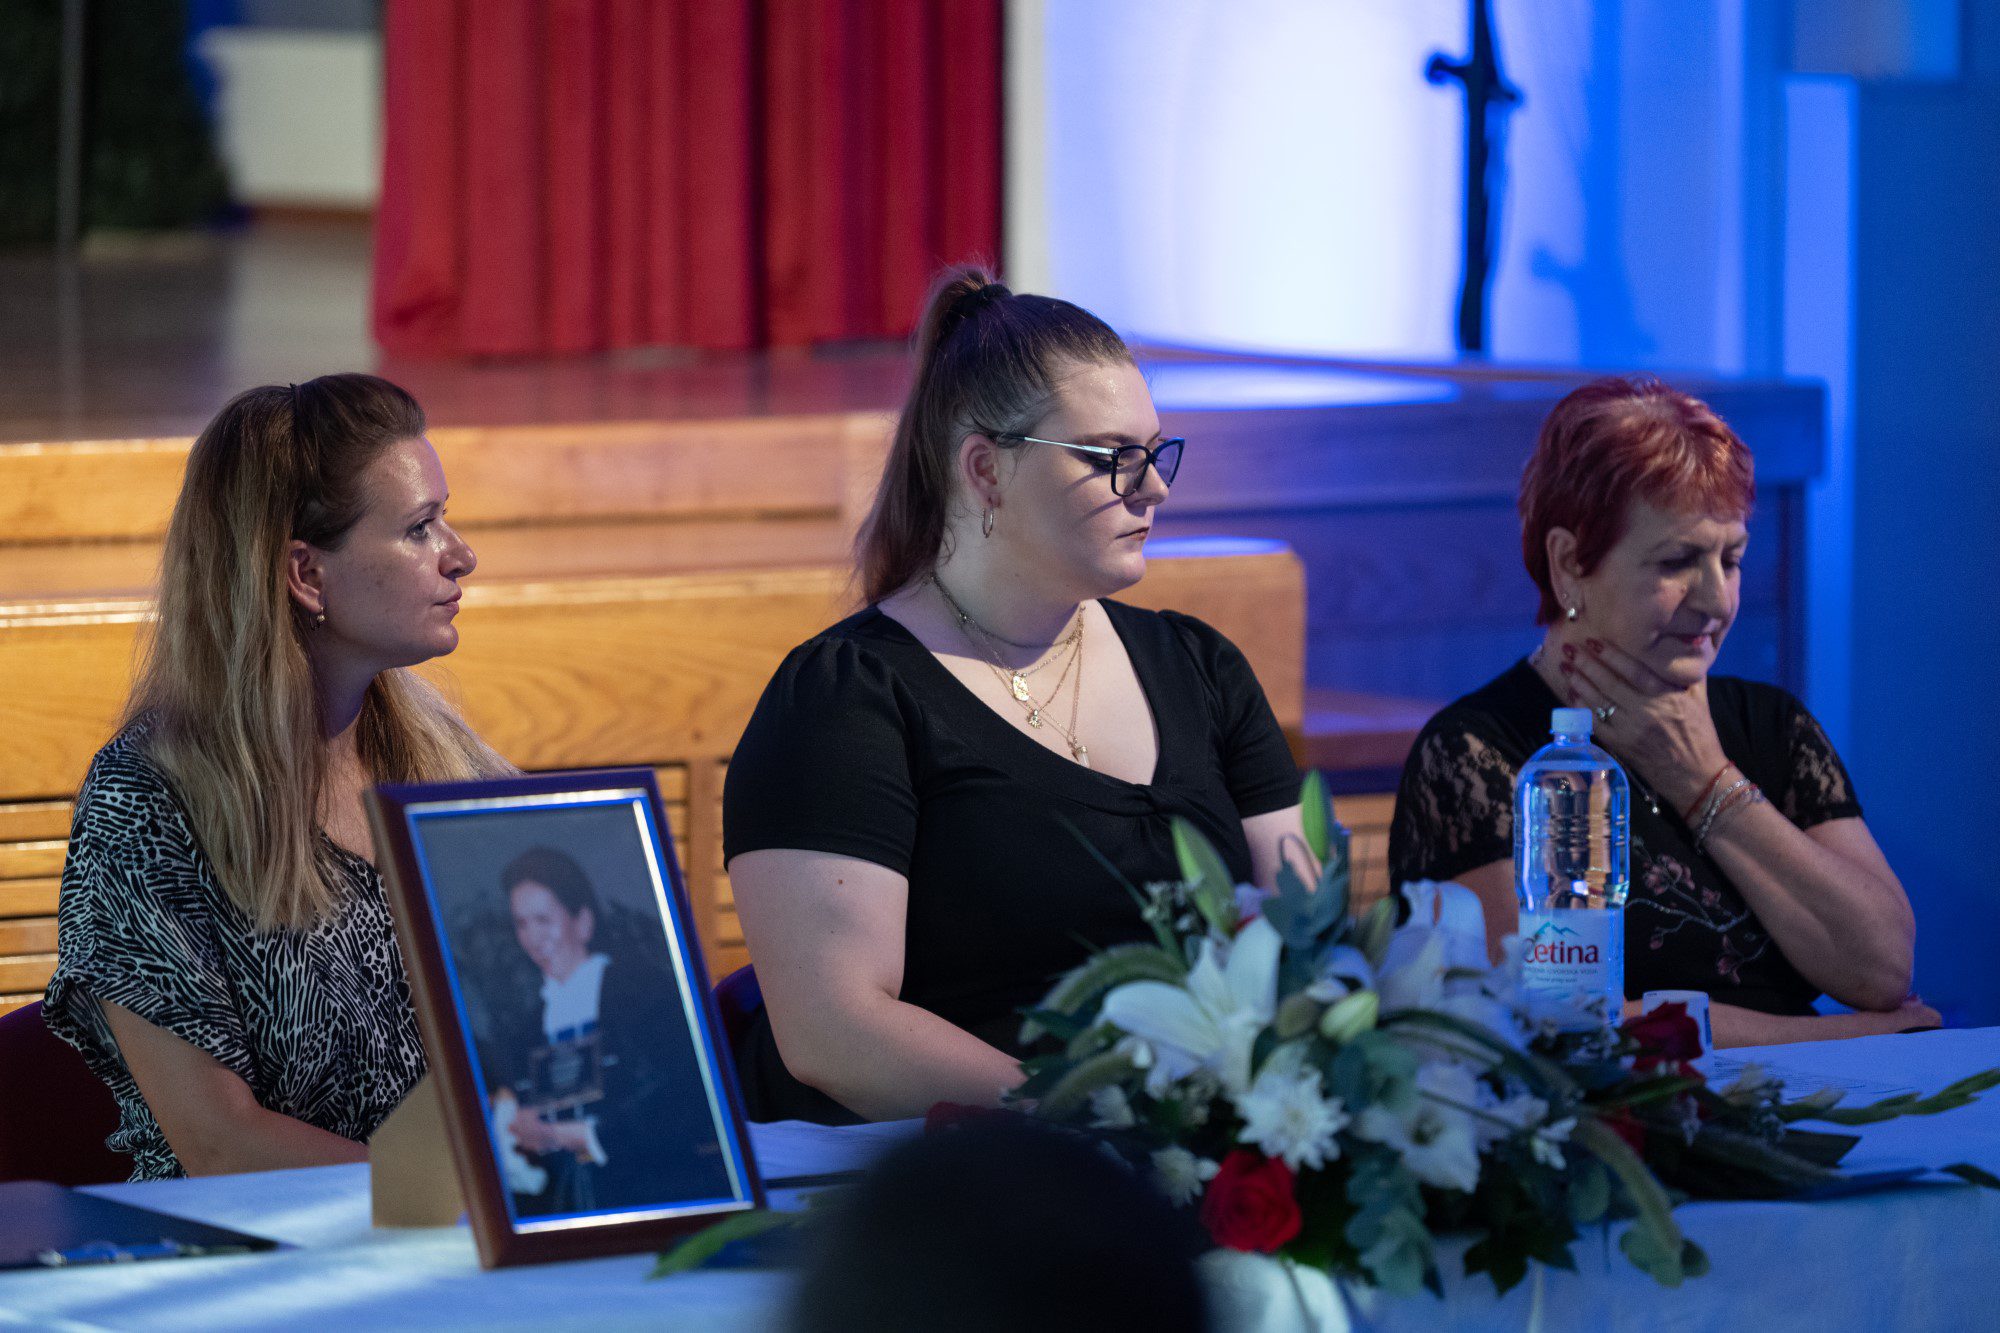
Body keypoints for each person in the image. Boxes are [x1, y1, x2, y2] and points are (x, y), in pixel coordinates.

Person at [723, 268, 1304, 1124]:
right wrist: (1091, 1122)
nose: (1154, 487)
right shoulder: (846, 697)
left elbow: (1305, 942)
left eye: (1156, 453)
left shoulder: (1201, 666)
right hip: (947, 1175)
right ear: (986, 470)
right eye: (1112, 458)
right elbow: (833, 1032)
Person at [44, 374, 511, 1180]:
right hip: (252, 1243)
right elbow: (219, 1142)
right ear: (306, 574)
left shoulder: (448, 761)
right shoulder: (146, 800)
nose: (460, 555)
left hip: (450, 1225)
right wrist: (463, 1198)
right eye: (420, 527)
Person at [1388, 375, 1932, 1046]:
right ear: (1569, 563)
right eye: (1677, 561)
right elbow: (1546, 1021)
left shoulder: (1771, 724)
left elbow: (1883, 970)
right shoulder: (1476, 753)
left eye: (1731, 559)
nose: (1717, 600)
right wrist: (1837, 1036)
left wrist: (1703, 780)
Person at [483, 846, 734, 1215]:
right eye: (522, 924)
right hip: (564, 1207)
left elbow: (685, 1099)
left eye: (543, 920)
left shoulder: (646, 996)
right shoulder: (528, 1028)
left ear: (583, 921)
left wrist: (585, 1135)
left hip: (661, 1196)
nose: (533, 937)